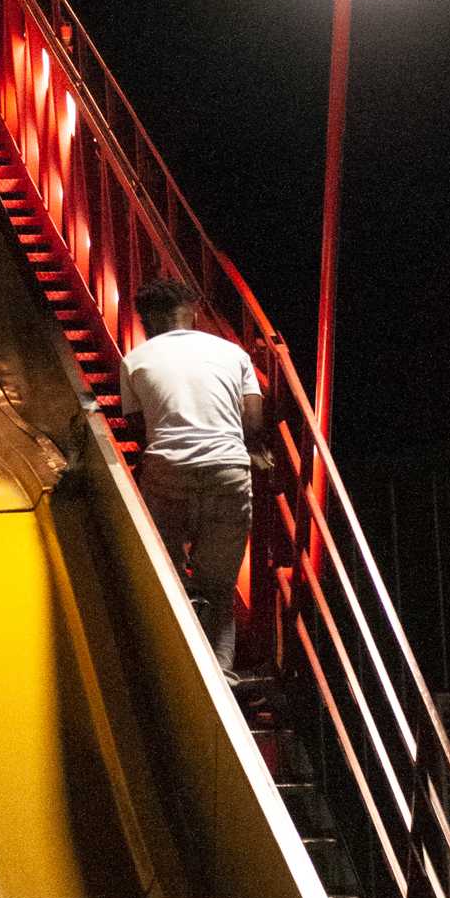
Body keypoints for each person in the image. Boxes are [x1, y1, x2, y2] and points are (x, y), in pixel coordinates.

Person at [119, 278, 264, 680]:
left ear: (147, 321)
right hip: (227, 469)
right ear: (193, 314)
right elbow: (252, 420)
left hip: (167, 471)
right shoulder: (232, 354)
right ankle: (221, 678)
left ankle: (171, 666)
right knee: (219, 585)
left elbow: (137, 429)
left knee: (167, 571)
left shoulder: (135, 359)